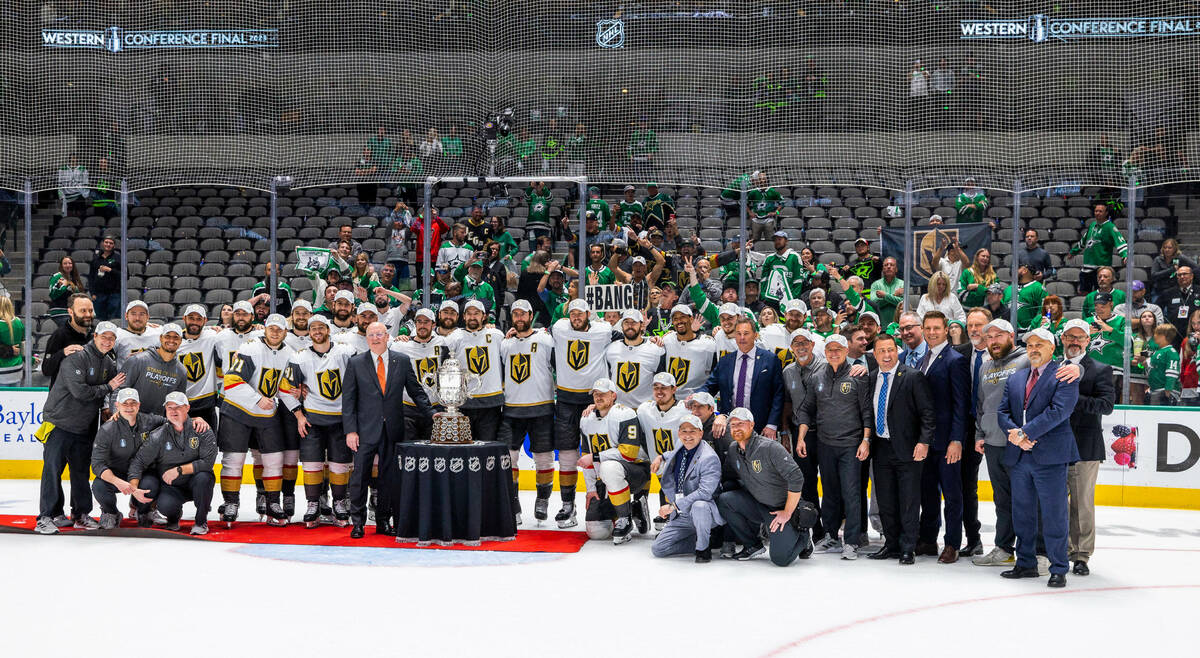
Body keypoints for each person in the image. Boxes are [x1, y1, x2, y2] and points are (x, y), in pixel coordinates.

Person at [996, 328, 1080, 588]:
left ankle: (1058, 568)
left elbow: (1059, 411)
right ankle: (1025, 563)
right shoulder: (1016, 378)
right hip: (1020, 456)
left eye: (1039, 344)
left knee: (1054, 515)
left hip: (1050, 457)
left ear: (1052, 348)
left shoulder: (1064, 375)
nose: (1033, 348)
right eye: (1030, 344)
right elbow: (1002, 411)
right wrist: (1015, 434)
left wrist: (1025, 432)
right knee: (1022, 513)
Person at [343, 321, 435, 538]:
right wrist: (350, 431)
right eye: (371, 335)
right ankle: (358, 523)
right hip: (364, 431)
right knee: (360, 478)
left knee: (388, 478)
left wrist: (431, 413)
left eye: (380, 334)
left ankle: (383, 521)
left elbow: (416, 391)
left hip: (392, 429)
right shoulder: (356, 363)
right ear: (367, 338)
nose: (376, 338)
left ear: (387, 337)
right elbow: (348, 401)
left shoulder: (401, 361)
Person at [35, 321, 123, 534]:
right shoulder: (76, 357)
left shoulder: (108, 363)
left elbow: (112, 392)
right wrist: (107, 387)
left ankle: (80, 514)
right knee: (52, 471)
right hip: (59, 422)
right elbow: (80, 392)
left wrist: (107, 407)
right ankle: (47, 516)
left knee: (81, 472)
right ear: (95, 336)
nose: (108, 341)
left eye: (112, 338)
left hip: (85, 426)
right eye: (104, 337)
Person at [795, 334, 872, 560]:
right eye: (830, 349)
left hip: (851, 444)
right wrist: (801, 438)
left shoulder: (858, 376)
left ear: (847, 350)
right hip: (825, 444)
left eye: (839, 348)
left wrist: (866, 440)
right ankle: (830, 535)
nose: (834, 353)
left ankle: (852, 541)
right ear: (825, 352)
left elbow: (866, 412)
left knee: (851, 493)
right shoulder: (817, 376)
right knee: (829, 492)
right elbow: (806, 410)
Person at [215, 314, 295, 527]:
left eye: (280, 329)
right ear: (265, 329)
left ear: (286, 332)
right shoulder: (250, 348)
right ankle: (231, 502)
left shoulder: (289, 353)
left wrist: (297, 392)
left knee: (274, 460)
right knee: (234, 461)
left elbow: (284, 386)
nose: (275, 332)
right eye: (272, 328)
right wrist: (258, 398)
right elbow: (231, 382)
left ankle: (272, 503)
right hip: (237, 411)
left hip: (266, 413)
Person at [279, 314, 357, 528]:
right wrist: (299, 415)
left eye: (321, 327)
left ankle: (339, 503)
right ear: (309, 332)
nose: (317, 331)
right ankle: (313, 504)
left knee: (339, 465)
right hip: (312, 419)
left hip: (341, 419)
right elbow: (284, 389)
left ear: (328, 330)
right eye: (313, 328)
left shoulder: (345, 351)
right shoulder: (299, 356)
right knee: (312, 464)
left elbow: (359, 380)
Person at [906, 311, 969, 564]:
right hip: (925, 440)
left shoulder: (955, 360)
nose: (932, 332)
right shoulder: (922, 359)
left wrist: (957, 439)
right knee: (927, 493)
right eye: (928, 328)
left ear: (946, 330)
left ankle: (952, 543)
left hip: (946, 441)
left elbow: (960, 404)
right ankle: (929, 539)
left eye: (937, 328)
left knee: (952, 495)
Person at [867, 334, 935, 564]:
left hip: (908, 448)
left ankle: (908, 547)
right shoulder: (872, 377)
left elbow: (927, 413)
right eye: (881, 351)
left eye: (890, 350)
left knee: (908, 500)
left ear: (897, 351)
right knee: (885, 500)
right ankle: (891, 543)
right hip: (881, 448)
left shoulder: (912, 377)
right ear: (874, 354)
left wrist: (923, 442)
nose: (887, 355)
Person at [716, 408, 811, 566]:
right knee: (725, 500)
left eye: (741, 423)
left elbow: (796, 477)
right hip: (759, 505)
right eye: (732, 425)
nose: (736, 428)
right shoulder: (733, 450)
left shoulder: (769, 448)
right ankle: (752, 545)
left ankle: (803, 537)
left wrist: (787, 512)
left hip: (782, 508)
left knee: (781, 559)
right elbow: (728, 477)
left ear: (752, 425)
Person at [1060, 319, 1115, 576]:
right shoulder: (1051, 366)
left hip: (1085, 446)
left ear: (1087, 341)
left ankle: (1081, 555)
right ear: (1062, 339)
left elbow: (1106, 405)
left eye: (1079, 337)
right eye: (1069, 336)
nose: (1074, 341)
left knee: (1081, 504)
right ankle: (1057, 548)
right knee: (1054, 501)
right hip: (1052, 446)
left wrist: (1072, 399)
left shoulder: (1100, 369)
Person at [498, 300, 560, 525]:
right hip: (512, 409)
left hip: (542, 407)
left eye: (523, 314)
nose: (519, 318)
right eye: (515, 314)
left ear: (530, 315)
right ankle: (513, 502)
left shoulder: (545, 339)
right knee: (510, 457)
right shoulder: (505, 344)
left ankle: (542, 499)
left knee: (543, 457)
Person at [127, 392, 218, 534]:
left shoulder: (202, 429)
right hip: (172, 486)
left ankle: (201, 521)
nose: (173, 411)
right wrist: (134, 488)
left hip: (196, 481)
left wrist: (179, 470)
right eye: (170, 407)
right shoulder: (158, 436)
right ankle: (173, 517)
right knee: (165, 505)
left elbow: (207, 462)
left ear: (187, 408)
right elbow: (139, 461)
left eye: (178, 407)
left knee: (204, 478)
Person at [578, 378, 651, 544]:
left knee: (609, 467)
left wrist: (596, 456)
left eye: (603, 394)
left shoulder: (625, 414)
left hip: (635, 472)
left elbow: (629, 453)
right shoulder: (586, 419)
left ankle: (625, 519)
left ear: (613, 396)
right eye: (595, 394)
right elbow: (586, 460)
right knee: (596, 532)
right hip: (604, 477)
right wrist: (591, 489)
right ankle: (632, 509)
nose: (598, 397)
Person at [650, 414, 725, 562]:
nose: (688, 435)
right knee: (658, 549)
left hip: (704, 512)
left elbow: (705, 493)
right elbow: (672, 453)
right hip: (683, 514)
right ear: (679, 433)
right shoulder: (681, 443)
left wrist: (673, 506)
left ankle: (703, 550)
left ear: (701, 433)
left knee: (699, 505)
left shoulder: (709, 458)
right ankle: (704, 540)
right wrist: (660, 457)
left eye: (693, 431)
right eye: (684, 431)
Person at [704, 316, 784, 437]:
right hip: (731, 425)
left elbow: (779, 394)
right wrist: (696, 396)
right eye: (739, 333)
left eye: (746, 333)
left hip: (761, 427)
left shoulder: (770, 360)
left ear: (755, 335)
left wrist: (772, 424)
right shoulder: (725, 361)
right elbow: (709, 387)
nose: (742, 338)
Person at [955, 307, 991, 557]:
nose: (974, 330)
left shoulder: (1004, 356)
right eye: (970, 326)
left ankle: (1008, 542)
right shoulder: (959, 354)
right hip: (964, 428)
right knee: (966, 485)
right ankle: (972, 538)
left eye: (979, 325)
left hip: (995, 427)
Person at [444, 300, 505, 442]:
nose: (472, 317)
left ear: (484, 316)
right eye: (469, 314)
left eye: (476, 313)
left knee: (488, 447)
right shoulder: (453, 338)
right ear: (463, 316)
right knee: (464, 448)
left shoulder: (496, 335)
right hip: (464, 403)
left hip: (491, 402)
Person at [119, 323, 187, 415]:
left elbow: (179, 402)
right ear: (160, 338)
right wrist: (117, 414)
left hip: (160, 424)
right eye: (167, 336)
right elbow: (119, 389)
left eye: (176, 337)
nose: (171, 340)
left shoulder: (181, 371)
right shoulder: (138, 360)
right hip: (132, 420)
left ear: (180, 341)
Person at [605, 309, 665, 409]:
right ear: (622, 325)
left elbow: (662, 381)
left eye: (634, 322)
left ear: (641, 325)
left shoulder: (655, 349)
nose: (630, 325)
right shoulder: (611, 348)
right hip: (617, 409)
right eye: (626, 322)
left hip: (645, 410)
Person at [1071, 203, 1127, 295]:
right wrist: (1073, 252)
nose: (1097, 213)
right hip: (1086, 268)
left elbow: (1120, 241)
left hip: (1101, 268)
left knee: (1101, 295)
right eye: (1096, 211)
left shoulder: (1110, 227)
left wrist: (1125, 255)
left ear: (1106, 213)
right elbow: (1084, 240)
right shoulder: (1092, 225)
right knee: (1085, 293)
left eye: (1100, 211)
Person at [42, 293, 95, 387]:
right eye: (83, 311)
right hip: (64, 396)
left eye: (90, 311)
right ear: (71, 312)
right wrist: (62, 353)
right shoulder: (59, 335)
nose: (88, 314)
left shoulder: (97, 334)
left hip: (90, 395)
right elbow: (46, 369)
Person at [1150, 238, 1196, 305]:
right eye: (1165, 247)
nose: (1167, 250)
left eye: (1169, 248)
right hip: (1159, 290)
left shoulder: (1180, 258)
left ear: (1175, 249)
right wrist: (1171, 270)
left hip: (1174, 290)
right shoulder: (1158, 259)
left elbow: (1196, 268)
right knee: (1156, 310)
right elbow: (1154, 275)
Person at [1161, 265, 1200, 342]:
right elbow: (1157, 308)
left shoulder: (1199, 290)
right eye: (1179, 275)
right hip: (1174, 333)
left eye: (1185, 274)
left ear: (1191, 276)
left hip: (1196, 331)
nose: (1182, 276)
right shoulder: (1168, 293)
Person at [1004, 263, 1048, 331]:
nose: (1013, 271)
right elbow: (1001, 310)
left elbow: (1044, 310)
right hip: (1009, 332)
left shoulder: (1038, 288)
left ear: (1024, 270)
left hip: (1031, 334)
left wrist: (1035, 328)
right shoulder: (1008, 289)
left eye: (1017, 268)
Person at [89, 235, 122, 321]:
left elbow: (126, 276)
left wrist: (110, 270)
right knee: (100, 320)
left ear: (114, 246)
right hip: (98, 295)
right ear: (102, 244)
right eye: (106, 242)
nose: (108, 244)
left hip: (114, 295)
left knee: (114, 319)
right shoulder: (96, 258)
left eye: (111, 243)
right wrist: (92, 293)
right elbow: (91, 277)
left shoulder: (118, 258)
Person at [1147, 325, 1181, 405]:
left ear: (1162, 336)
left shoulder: (1171, 352)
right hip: (1156, 390)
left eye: (1155, 334)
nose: (1154, 336)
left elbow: (1172, 373)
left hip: (1165, 392)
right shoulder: (1158, 351)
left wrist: (1168, 390)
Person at [48, 256, 85, 325]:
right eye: (65, 263)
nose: (68, 265)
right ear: (61, 265)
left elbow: (79, 296)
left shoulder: (75, 278)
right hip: (60, 313)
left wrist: (73, 287)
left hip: (73, 313)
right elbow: (53, 295)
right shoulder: (57, 276)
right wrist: (64, 286)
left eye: (70, 263)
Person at [869, 257, 904, 327]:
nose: (888, 267)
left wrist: (885, 296)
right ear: (882, 269)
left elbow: (903, 304)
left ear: (896, 269)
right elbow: (874, 304)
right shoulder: (876, 284)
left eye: (891, 265)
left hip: (899, 326)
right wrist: (894, 295)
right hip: (880, 326)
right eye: (886, 265)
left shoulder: (903, 284)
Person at [0, 296, 25, 385]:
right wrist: (32, 360)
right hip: (17, 369)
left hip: (2, 369)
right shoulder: (19, 322)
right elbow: (23, 347)